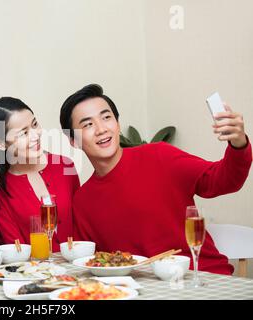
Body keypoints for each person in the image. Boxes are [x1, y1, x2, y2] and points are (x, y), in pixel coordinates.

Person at [60, 84, 252, 275]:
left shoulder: (159, 155)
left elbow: (224, 180)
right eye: (88, 124)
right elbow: (92, 264)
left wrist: (238, 143)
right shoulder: (83, 201)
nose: (101, 129)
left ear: (117, 124)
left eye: (106, 117)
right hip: (144, 291)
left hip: (202, 278)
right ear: (73, 140)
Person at [0, 97, 80, 252]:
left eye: (34, 124)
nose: (36, 135)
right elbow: (15, 249)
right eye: (24, 133)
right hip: (34, 272)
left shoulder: (64, 165)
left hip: (79, 269)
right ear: (0, 143)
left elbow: (81, 225)